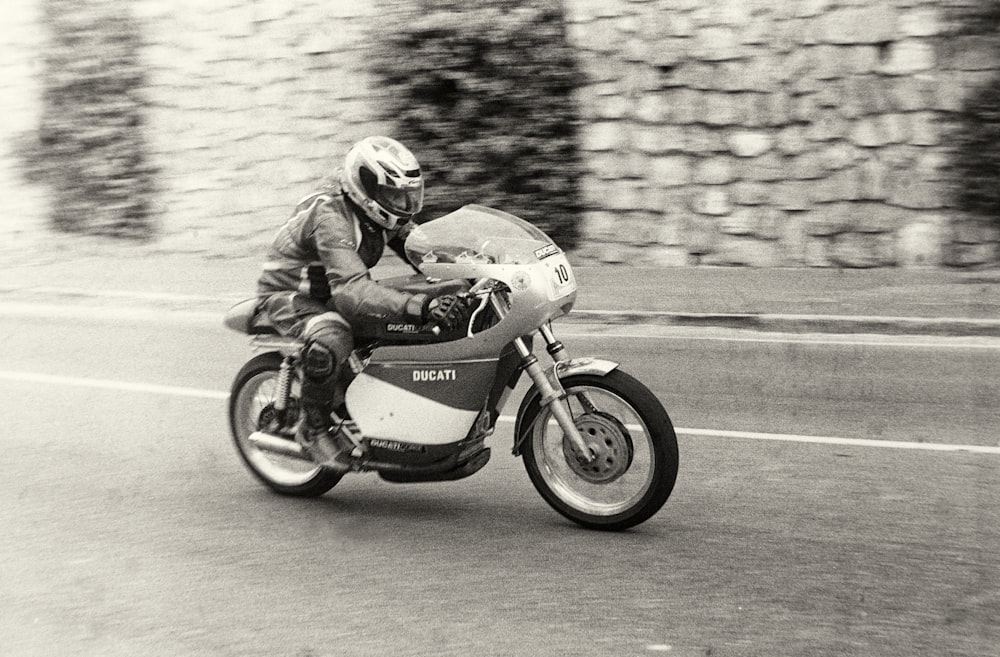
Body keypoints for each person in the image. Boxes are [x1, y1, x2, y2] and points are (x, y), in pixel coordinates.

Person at [255, 136, 470, 463]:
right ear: (366, 189)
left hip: (335, 284)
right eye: (394, 194)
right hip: (293, 294)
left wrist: (475, 269)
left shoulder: (385, 213)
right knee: (333, 336)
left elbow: (425, 254)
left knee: (413, 309)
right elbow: (352, 291)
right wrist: (419, 306)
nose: (403, 204)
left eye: (407, 195)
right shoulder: (330, 217)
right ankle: (313, 428)